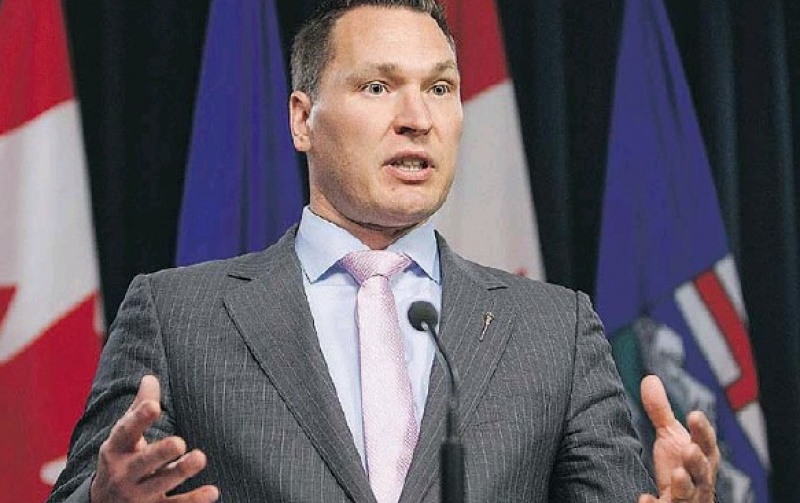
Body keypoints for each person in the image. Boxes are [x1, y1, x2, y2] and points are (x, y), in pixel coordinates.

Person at [49, 1, 720, 502]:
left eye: (440, 88)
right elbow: (90, 486)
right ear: (301, 119)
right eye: (377, 86)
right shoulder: (177, 316)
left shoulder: (557, 330)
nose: (417, 119)